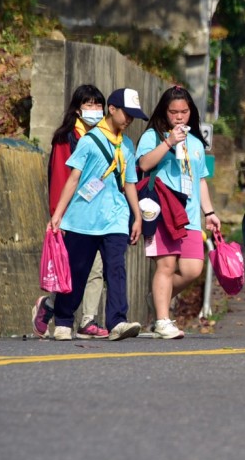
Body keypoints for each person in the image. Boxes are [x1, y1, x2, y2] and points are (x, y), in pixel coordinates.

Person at [46, 88, 147, 342]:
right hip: (83, 219)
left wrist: (136, 216)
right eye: (127, 113)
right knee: (77, 271)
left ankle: (118, 321)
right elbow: (73, 178)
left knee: (116, 268)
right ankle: (64, 320)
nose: (130, 120)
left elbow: (130, 183)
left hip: (115, 218)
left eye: (133, 116)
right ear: (111, 109)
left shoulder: (127, 144)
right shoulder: (89, 141)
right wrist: (58, 214)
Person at [136, 86, 221, 340]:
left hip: (191, 216)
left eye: (184, 112)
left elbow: (201, 180)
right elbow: (144, 164)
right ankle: (162, 320)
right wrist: (169, 142)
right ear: (165, 112)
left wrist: (210, 212)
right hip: (162, 211)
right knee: (166, 264)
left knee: (193, 269)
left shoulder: (196, 143)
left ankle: (158, 298)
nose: (179, 117)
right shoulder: (153, 136)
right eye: (174, 112)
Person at [33, 85, 112, 340]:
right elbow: (60, 178)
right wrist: (59, 216)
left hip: (98, 214)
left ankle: (88, 319)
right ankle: (51, 307)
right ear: (77, 109)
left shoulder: (107, 138)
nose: (95, 110)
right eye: (89, 105)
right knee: (75, 270)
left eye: (99, 105)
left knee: (96, 268)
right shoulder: (66, 138)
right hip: (73, 216)